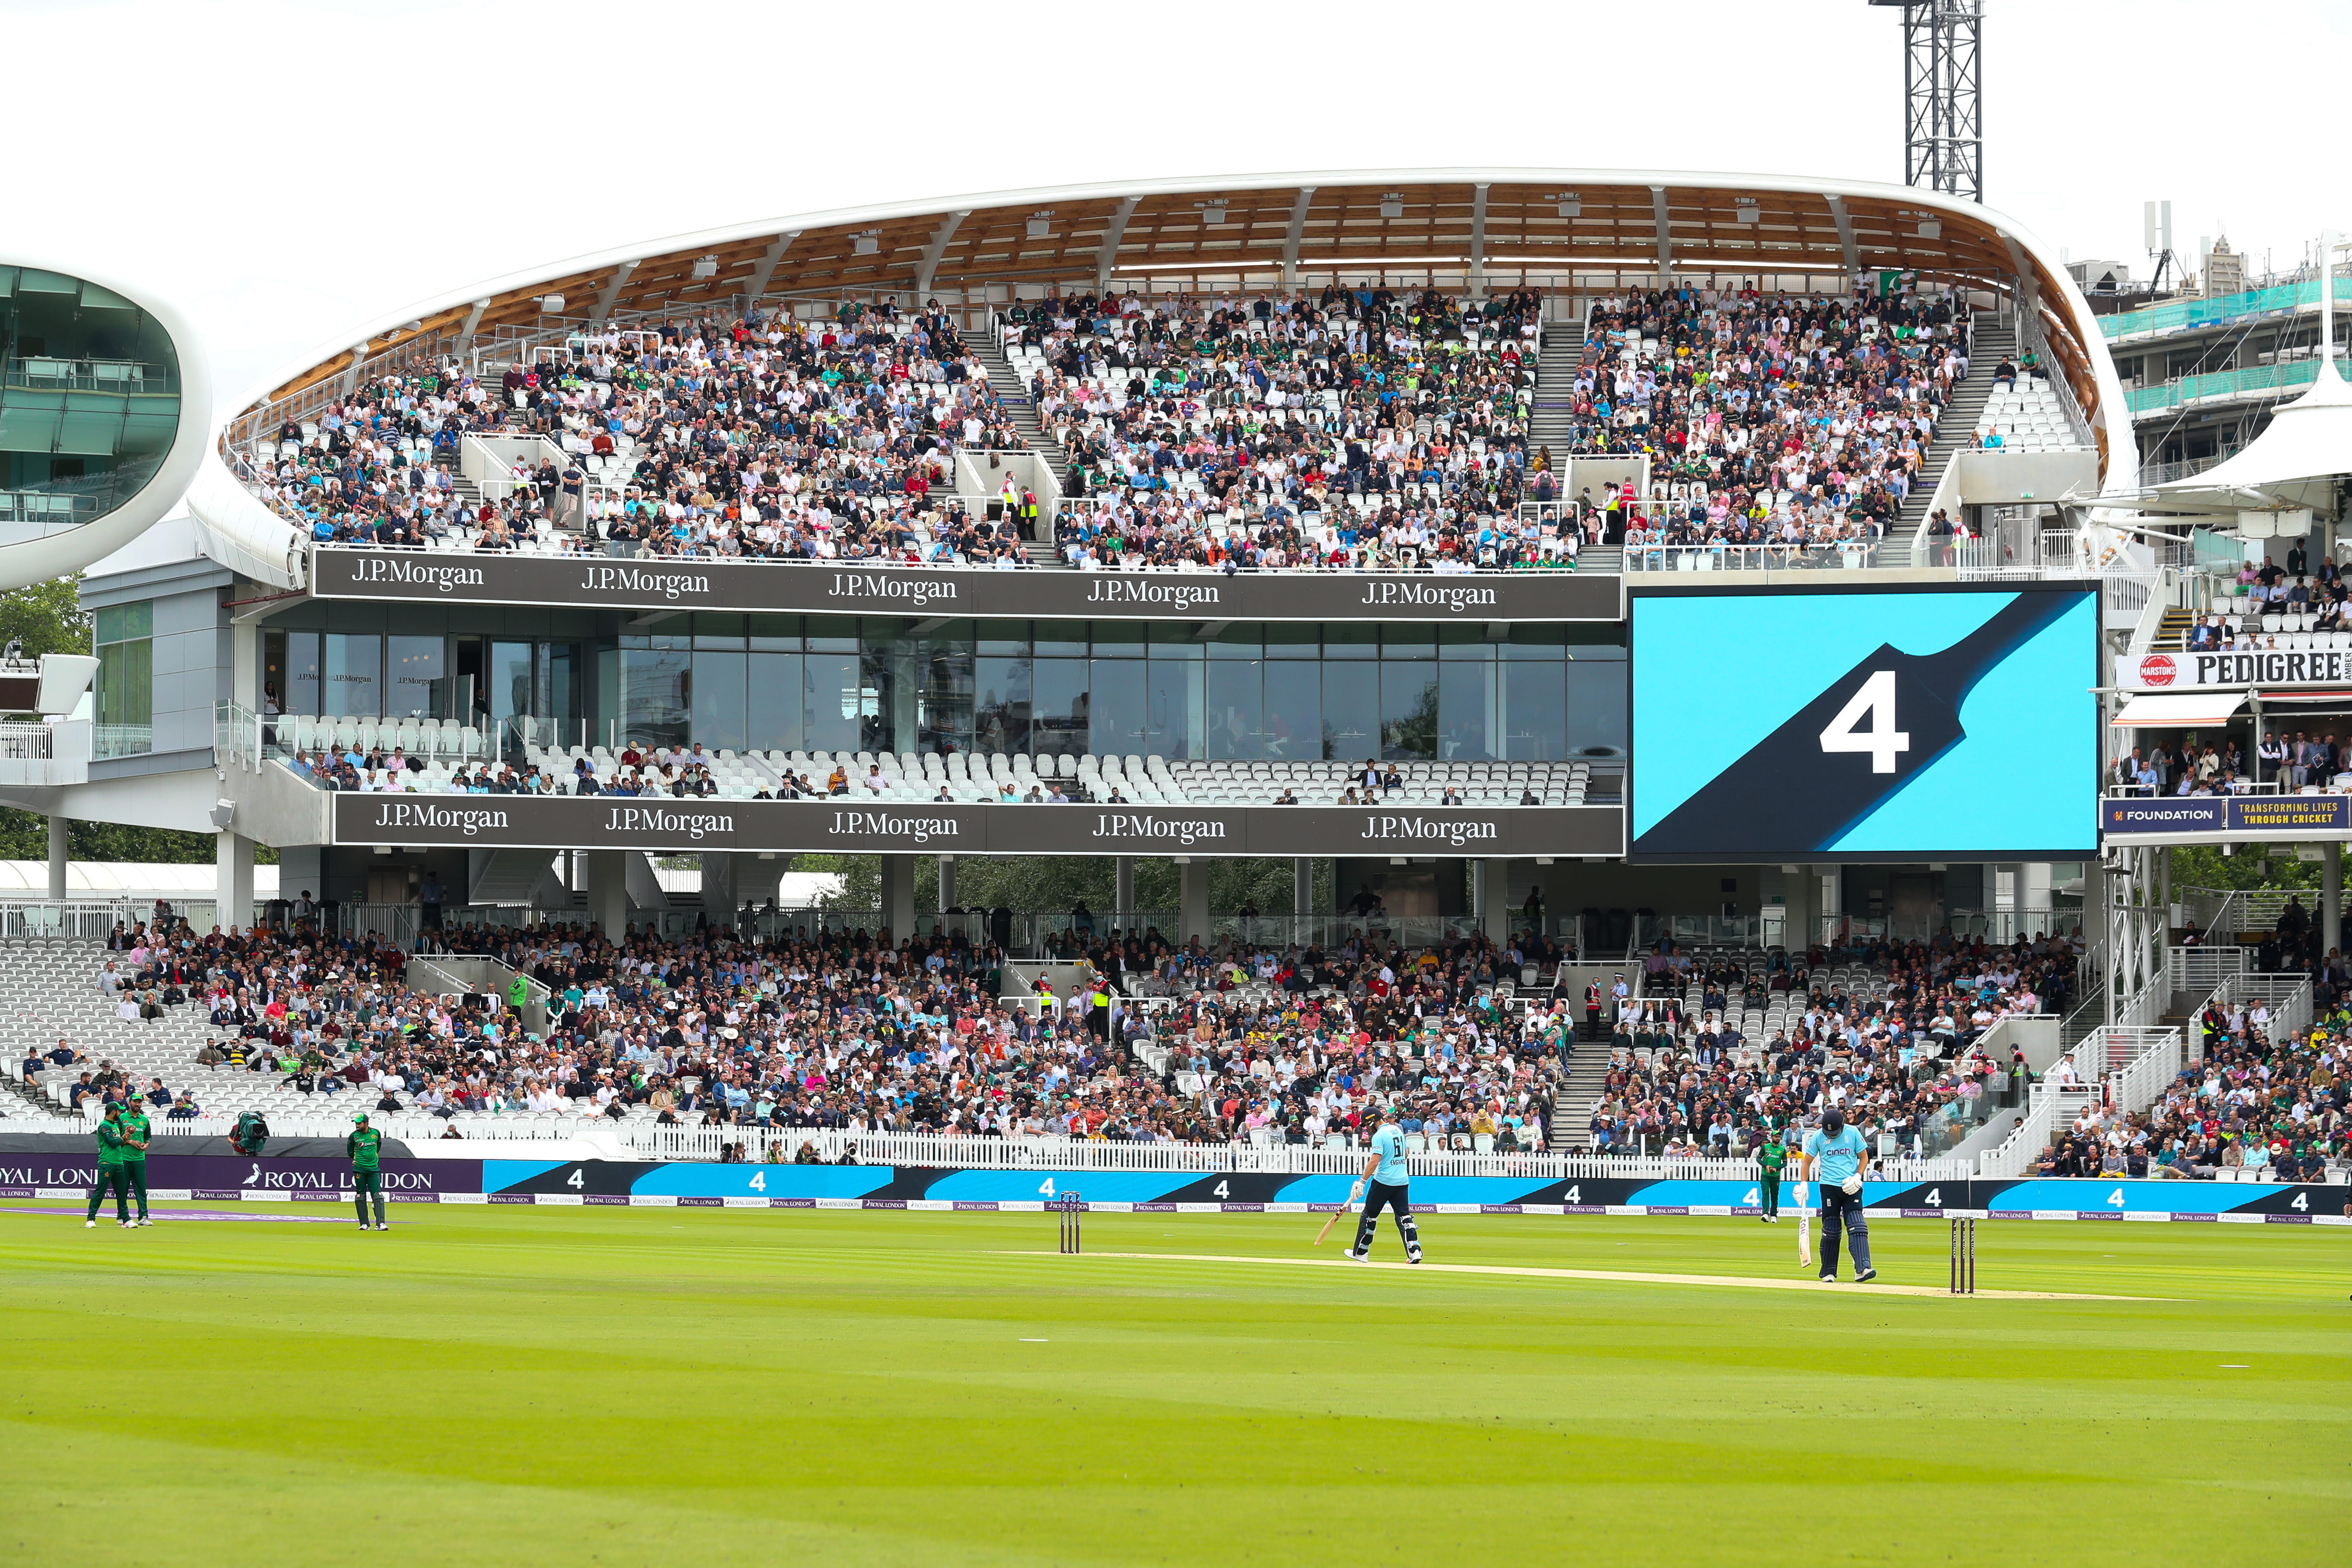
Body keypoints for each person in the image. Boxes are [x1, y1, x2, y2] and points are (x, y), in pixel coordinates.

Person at [1803, 1106, 1876, 1282]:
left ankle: (1863, 1268)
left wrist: (1858, 1177)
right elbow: (1806, 1162)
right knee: (1831, 1228)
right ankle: (1828, 1272)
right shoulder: (1818, 1137)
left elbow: (1864, 1158)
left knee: (1857, 1224)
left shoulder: (1853, 1133)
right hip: (1828, 1186)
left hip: (1851, 1185)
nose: (1832, 1136)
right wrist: (1804, 1184)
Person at [1346, 1103, 1423, 1264]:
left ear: (1372, 1121)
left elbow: (1374, 1162)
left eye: (1368, 1125)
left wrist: (1362, 1182)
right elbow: (1406, 1153)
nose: (1368, 1129)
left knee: (1369, 1216)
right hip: (1402, 1180)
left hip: (1383, 1181)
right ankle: (1415, 1252)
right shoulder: (1398, 1130)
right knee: (1404, 1216)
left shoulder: (1379, 1135)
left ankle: (1361, 1253)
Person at [85, 1103, 134, 1230]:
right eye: (119, 1111)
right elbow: (113, 1143)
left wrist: (127, 1136)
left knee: (122, 1193)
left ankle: (126, 1219)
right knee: (101, 1191)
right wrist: (124, 1137)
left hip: (118, 1163)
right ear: (113, 1112)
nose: (121, 1114)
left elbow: (119, 1145)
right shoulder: (104, 1126)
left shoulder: (115, 1126)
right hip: (107, 1163)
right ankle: (91, 1219)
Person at [119, 1091, 154, 1226]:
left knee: (141, 1188)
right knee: (123, 1188)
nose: (137, 1104)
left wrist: (147, 1145)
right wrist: (130, 1142)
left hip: (139, 1159)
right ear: (130, 1103)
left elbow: (149, 1137)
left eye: (139, 1102)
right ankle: (122, 1216)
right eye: (135, 1101)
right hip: (124, 1158)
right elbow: (117, 1139)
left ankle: (143, 1216)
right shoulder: (122, 1118)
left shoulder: (144, 1120)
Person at [349, 1112, 387, 1231]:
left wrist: (373, 1157)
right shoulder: (353, 1136)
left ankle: (381, 1224)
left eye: (360, 1123)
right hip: (359, 1169)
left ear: (366, 1123)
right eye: (356, 1123)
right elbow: (350, 1152)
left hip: (373, 1169)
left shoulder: (375, 1133)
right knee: (361, 1195)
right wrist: (357, 1160)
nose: (357, 1125)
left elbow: (379, 1146)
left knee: (378, 1195)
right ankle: (364, 1224)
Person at [1755, 1127, 1787, 1224]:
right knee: (1765, 1194)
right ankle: (1765, 1214)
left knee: (1774, 1196)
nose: (1778, 1138)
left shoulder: (1782, 1150)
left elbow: (1785, 1163)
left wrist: (1776, 1168)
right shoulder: (1766, 1147)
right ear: (1772, 1137)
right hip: (1765, 1175)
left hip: (1776, 1176)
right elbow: (1758, 1159)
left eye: (1779, 1137)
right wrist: (1766, 1166)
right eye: (1776, 1137)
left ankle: (1774, 1216)